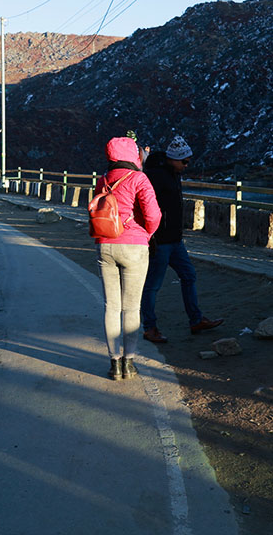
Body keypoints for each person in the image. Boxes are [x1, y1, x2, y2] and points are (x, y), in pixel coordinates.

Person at [141, 135, 223, 343]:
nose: (186, 165)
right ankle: (150, 327)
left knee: (189, 275)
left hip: (175, 240)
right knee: (153, 285)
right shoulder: (156, 176)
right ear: (173, 159)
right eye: (184, 161)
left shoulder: (173, 173)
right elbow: (145, 206)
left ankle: (196, 319)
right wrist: (151, 237)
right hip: (160, 241)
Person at [94, 136, 161, 381]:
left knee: (111, 307)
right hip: (134, 246)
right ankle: (129, 363)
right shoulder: (139, 178)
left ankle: (114, 364)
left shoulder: (103, 179)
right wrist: (146, 234)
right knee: (131, 307)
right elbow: (153, 215)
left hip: (105, 245)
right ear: (133, 155)